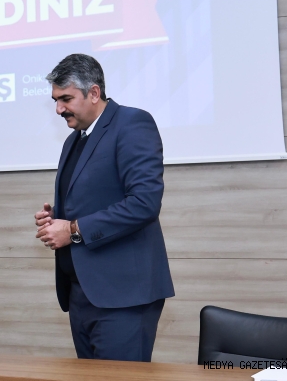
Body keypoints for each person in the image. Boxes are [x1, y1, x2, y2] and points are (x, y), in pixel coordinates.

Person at [35, 54, 174, 362]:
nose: (59, 109)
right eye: (56, 100)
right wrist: (56, 217)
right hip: (82, 294)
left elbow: (144, 203)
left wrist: (72, 229)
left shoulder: (132, 124)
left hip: (124, 297)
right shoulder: (73, 140)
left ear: (94, 93)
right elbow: (96, 199)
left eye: (66, 99)